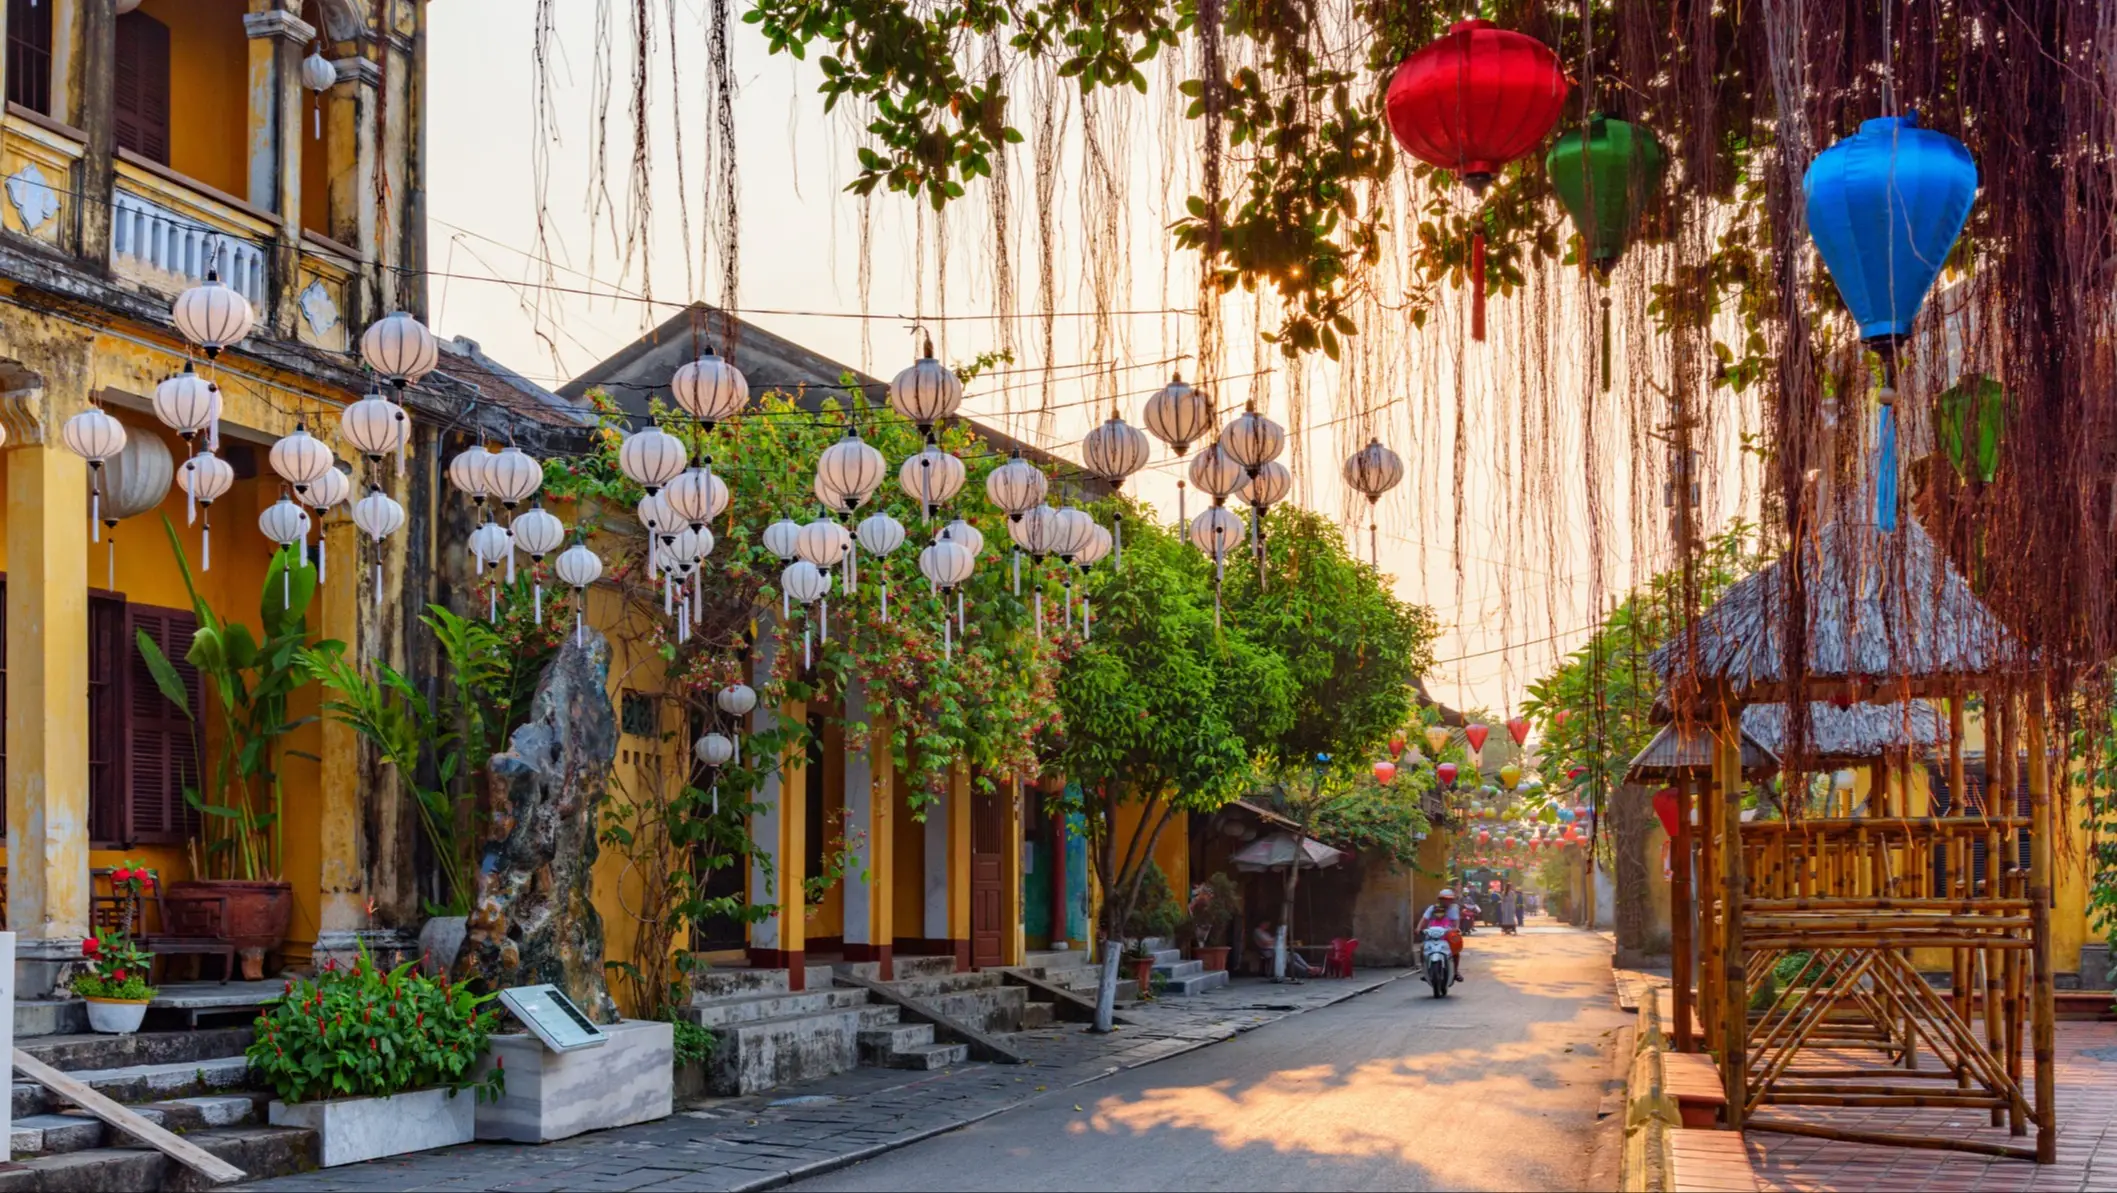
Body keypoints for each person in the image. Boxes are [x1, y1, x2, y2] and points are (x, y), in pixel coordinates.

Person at [1417, 888, 1466, 983]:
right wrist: (1418, 928)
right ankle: (1425, 971)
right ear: (1440, 899)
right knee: (1423, 949)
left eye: (1449, 899)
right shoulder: (1432, 908)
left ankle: (1455, 972)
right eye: (1444, 899)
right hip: (1432, 935)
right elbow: (1424, 919)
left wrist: (1456, 928)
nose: (1447, 901)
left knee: (1455, 950)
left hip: (1447, 935)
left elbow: (1456, 923)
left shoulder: (1454, 908)